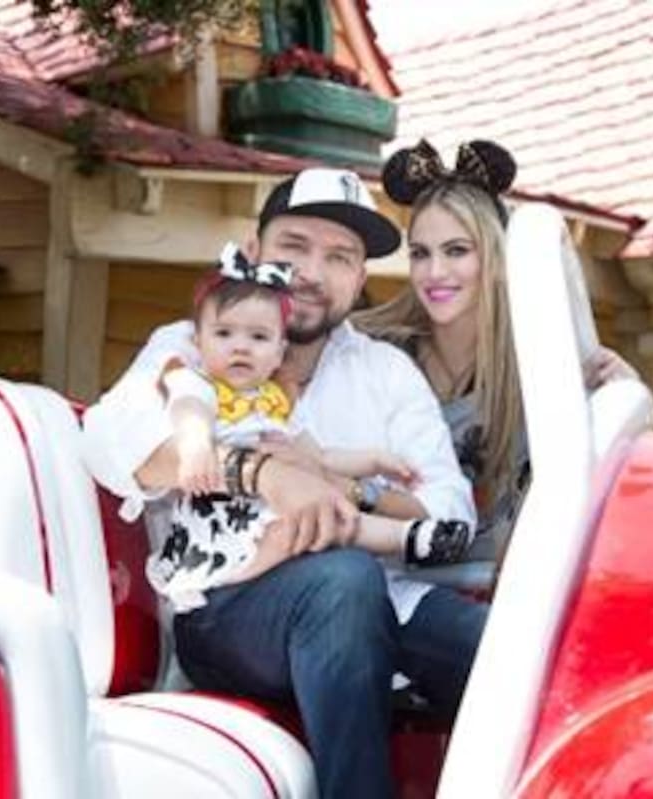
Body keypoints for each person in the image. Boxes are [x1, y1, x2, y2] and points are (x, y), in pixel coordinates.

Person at [81, 167, 483, 799]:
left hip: (379, 600)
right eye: (295, 247)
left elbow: (445, 512)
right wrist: (263, 474)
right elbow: (107, 441)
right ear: (254, 251)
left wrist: (337, 489)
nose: (313, 274)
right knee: (343, 581)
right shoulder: (197, 344)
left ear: (359, 278)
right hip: (229, 608)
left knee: (509, 655)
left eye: (340, 258)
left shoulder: (385, 372)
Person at [151, 240, 471, 612]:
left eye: (257, 338)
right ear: (197, 340)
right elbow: (188, 412)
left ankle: (411, 537)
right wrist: (195, 448)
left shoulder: (277, 402)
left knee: (334, 520)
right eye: (224, 335)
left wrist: (373, 463)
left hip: (334, 559)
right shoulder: (195, 379)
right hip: (232, 540)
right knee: (335, 537)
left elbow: (318, 456)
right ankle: (403, 537)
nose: (239, 347)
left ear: (277, 351)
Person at [356, 139, 636, 559]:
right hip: (391, 585)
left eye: (457, 251)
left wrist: (621, 401)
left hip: (505, 602)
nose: (435, 272)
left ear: (496, 257)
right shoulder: (373, 353)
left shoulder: (543, 365)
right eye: (420, 253)